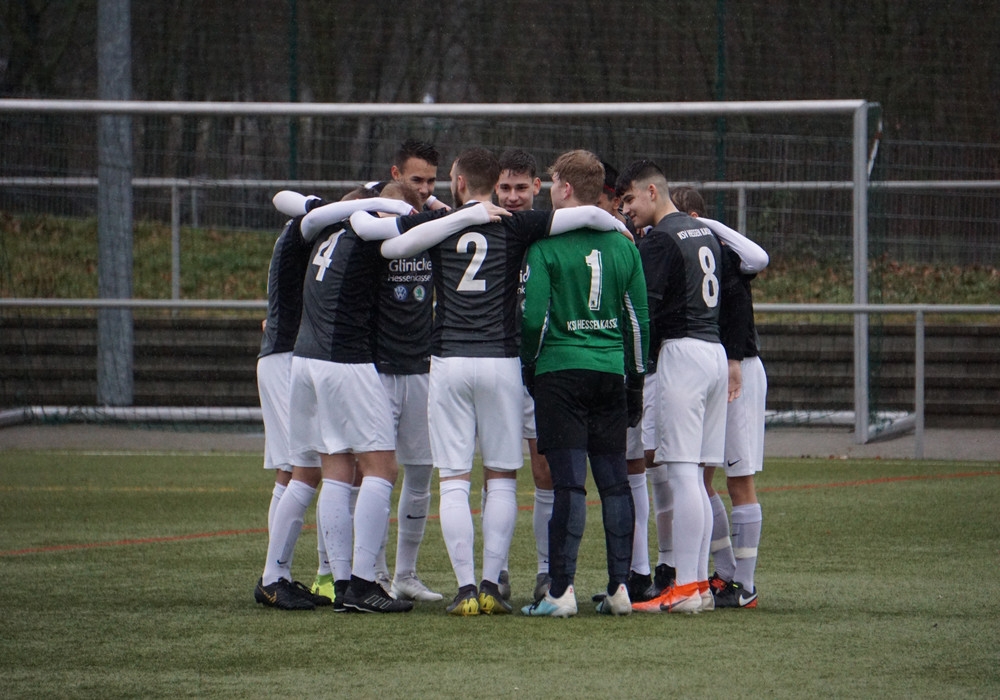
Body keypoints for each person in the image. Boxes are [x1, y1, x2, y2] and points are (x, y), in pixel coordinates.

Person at [352, 147, 628, 616]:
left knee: (455, 478)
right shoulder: (518, 225)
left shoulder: (440, 224)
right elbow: (587, 218)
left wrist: (456, 219)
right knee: (501, 477)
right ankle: (490, 585)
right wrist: (619, 225)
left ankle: (464, 590)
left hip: (449, 361)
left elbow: (389, 245)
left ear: (457, 183)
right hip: (501, 361)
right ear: (494, 184)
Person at [257, 190, 420, 614]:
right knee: (380, 467)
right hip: (341, 360)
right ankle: (363, 582)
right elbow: (396, 232)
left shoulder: (325, 230)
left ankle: (338, 579)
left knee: (326, 469)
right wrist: (409, 213)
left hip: (306, 359)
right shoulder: (364, 229)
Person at [519, 150, 649, 618]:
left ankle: (560, 592)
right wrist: (634, 382)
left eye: (553, 182)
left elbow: (534, 317)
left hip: (560, 372)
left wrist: (529, 365)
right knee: (616, 485)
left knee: (569, 486)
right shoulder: (624, 245)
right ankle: (619, 590)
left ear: (565, 188)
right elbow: (638, 323)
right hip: (610, 373)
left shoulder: (544, 245)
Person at [617, 160, 728, 614]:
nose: (626, 210)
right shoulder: (702, 231)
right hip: (715, 351)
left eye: (628, 200)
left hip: (682, 354)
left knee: (682, 472)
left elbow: (645, 309)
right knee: (695, 477)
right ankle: (697, 584)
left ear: (650, 191)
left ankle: (684, 587)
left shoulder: (660, 239)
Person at [671, 186, 768, 610]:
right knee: (700, 479)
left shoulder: (727, 255)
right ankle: (726, 572)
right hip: (709, 370)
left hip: (740, 370)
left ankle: (745, 585)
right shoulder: (683, 261)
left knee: (739, 480)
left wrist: (708, 224)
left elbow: (760, 257)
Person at [253, 198, 335, 610]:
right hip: (284, 358)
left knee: (294, 471)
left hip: (290, 359)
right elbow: (285, 200)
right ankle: (273, 575)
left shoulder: (316, 241)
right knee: (301, 469)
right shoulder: (303, 232)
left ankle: (277, 573)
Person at [490, 148, 552, 603]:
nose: (513, 197)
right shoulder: (481, 225)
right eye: (505, 188)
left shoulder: (553, 229)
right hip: (496, 360)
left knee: (544, 467)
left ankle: (547, 571)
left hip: (543, 363)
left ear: (538, 188)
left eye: (521, 188)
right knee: (499, 469)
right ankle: (499, 568)